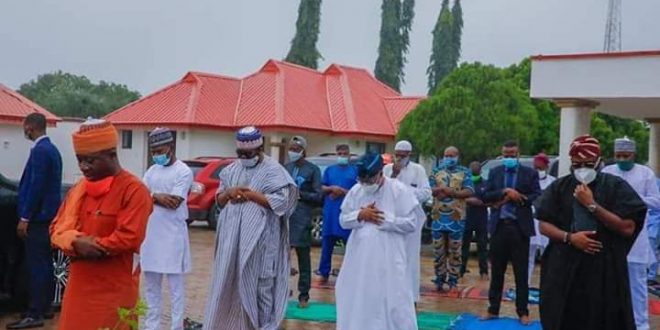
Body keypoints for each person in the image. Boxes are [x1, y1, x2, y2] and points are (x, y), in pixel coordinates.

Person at [49, 119, 153, 330]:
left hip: (114, 290)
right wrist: (75, 242)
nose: (84, 167)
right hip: (79, 289)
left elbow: (129, 237)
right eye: (80, 160)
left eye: (90, 160)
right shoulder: (79, 190)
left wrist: (92, 246)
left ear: (112, 155)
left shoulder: (134, 190)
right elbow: (55, 229)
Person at [536, 135, 647, 330]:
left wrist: (592, 205)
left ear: (599, 161)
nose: (582, 169)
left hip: (604, 270)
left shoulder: (615, 186)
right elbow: (544, 224)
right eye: (577, 164)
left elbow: (628, 227)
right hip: (564, 268)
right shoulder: (559, 187)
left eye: (588, 164)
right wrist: (570, 238)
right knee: (561, 317)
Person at [203, 126, 298, 330]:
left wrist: (252, 195)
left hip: (262, 246)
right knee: (229, 288)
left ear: (259, 148)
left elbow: (284, 203)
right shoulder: (231, 170)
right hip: (232, 246)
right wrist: (230, 193)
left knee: (262, 293)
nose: (244, 157)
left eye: (248, 154)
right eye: (240, 153)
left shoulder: (274, 171)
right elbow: (219, 200)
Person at [335, 153, 418, 330]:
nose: (366, 184)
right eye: (362, 179)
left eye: (370, 179)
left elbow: (411, 224)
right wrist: (360, 215)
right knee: (358, 296)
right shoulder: (357, 191)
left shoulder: (399, 191)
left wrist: (385, 219)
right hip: (360, 260)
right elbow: (343, 220)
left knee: (393, 299)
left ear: (381, 173)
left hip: (389, 258)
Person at [8, 113, 63, 330]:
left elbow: (35, 186)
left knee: (36, 265)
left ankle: (35, 312)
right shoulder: (52, 150)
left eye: (25, 127)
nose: (24, 131)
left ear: (30, 127)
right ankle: (45, 306)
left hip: (38, 218)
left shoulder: (40, 151)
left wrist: (25, 217)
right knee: (45, 264)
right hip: (47, 216)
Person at [601, 137, 660, 330]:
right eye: (618, 155)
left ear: (633, 155)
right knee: (608, 284)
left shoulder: (645, 174)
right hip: (610, 236)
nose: (622, 159)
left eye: (626, 156)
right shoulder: (607, 172)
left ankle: (640, 325)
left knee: (637, 287)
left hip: (637, 238)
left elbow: (656, 201)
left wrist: (633, 200)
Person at [481, 140, 540, 325]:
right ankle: (493, 309)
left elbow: (537, 196)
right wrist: (504, 191)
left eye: (512, 155)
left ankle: (522, 311)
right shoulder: (495, 172)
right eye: (506, 155)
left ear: (518, 154)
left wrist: (519, 197)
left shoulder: (529, 173)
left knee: (521, 273)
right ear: (502, 154)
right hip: (499, 227)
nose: (509, 158)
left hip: (519, 228)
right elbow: (486, 195)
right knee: (497, 270)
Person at [140, 128, 194, 330]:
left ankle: (176, 327)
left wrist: (151, 196)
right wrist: (156, 197)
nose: (156, 155)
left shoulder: (183, 171)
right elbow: (141, 197)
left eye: (159, 150)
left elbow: (174, 202)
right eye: (153, 151)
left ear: (171, 148)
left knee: (175, 291)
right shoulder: (151, 171)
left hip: (172, 239)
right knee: (151, 290)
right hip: (151, 238)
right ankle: (151, 327)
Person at [383, 140, 431, 303]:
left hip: (411, 220)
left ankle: (411, 297)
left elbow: (426, 193)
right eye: (397, 155)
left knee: (410, 258)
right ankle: (390, 294)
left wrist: (405, 192)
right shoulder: (387, 169)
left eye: (403, 156)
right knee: (390, 257)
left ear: (409, 155)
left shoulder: (418, 170)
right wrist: (394, 176)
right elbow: (382, 190)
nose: (399, 158)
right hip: (391, 219)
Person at [284, 136, 322, 308]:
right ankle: (282, 291)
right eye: (291, 148)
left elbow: (318, 195)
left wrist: (301, 195)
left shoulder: (312, 170)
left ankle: (303, 295)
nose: (292, 152)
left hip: (303, 217)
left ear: (303, 151)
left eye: (296, 149)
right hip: (285, 217)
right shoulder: (286, 168)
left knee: (303, 259)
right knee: (281, 258)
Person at [429, 146, 473, 291]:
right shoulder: (436, 171)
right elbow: (429, 189)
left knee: (455, 251)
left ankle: (453, 279)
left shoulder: (465, 172)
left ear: (457, 156)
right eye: (446, 155)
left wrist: (452, 193)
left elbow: (469, 191)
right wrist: (441, 190)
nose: (449, 158)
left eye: (452, 155)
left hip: (457, 218)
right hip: (438, 218)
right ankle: (439, 278)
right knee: (438, 250)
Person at [315, 144, 357, 282]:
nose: (342, 156)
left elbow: (359, 191)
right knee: (327, 245)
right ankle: (324, 272)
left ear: (349, 155)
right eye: (340, 153)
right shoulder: (329, 170)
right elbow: (321, 187)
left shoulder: (355, 171)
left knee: (351, 246)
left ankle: (350, 272)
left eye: (345, 153)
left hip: (347, 213)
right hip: (331, 213)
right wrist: (332, 188)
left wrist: (342, 191)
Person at [528, 153, 556, 286]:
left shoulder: (553, 182)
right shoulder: (527, 181)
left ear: (546, 166)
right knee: (528, 257)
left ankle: (546, 286)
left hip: (545, 223)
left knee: (547, 257)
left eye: (540, 168)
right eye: (535, 168)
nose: (537, 170)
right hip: (530, 222)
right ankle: (525, 285)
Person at [460, 161, 489, 281]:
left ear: (480, 171)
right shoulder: (464, 184)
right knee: (464, 246)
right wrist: (468, 201)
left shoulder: (486, 184)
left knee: (482, 246)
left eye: (476, 169)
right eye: (472, 169)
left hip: (481, 218)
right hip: (466, 218)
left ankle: (484, 271)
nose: (474, 170)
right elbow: (457, 196)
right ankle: (460, 270)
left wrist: (480, 202)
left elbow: (489, 199)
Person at [649, 178, 660, 284]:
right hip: (652, 222)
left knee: (653, 250)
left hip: (654, 223)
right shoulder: (655, 182)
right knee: (652, 250)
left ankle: (651, 275)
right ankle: (650, 275)